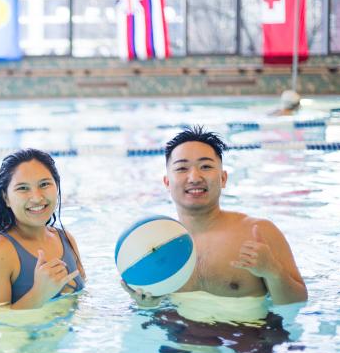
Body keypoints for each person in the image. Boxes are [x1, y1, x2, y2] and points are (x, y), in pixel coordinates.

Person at [124, 125, 307, 306]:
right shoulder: (151, 243)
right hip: (176, 333)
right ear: (167, 182)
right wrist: (148, 307)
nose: (194, 177)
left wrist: (272, 271)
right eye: (182, 168)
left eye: (205, 166)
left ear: (223, 178)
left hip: (247, 333)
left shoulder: (257, 233)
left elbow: (296, 303)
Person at [0, 148, 85, 310]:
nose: (37, 197)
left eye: (44, 184)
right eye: (23, 188)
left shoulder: (66, 239)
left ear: (57, 188)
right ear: (6, 198)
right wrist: (38, 295)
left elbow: (82, 300)